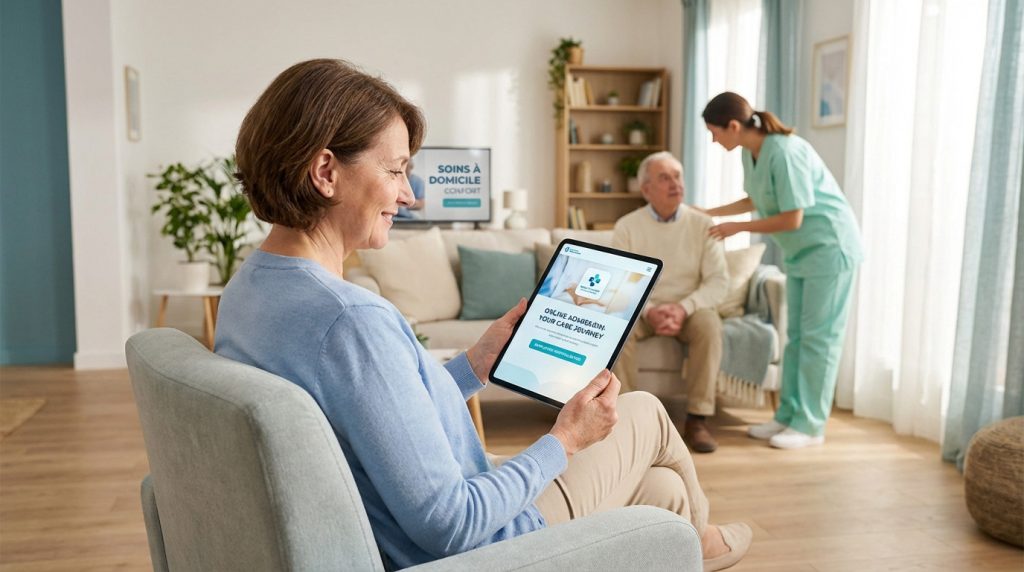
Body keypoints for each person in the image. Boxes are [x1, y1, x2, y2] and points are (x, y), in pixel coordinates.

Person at [216, 59, 751, 570]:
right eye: (396, 169)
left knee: (663, 494)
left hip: (409, 528)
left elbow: (381, 419)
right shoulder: (350, 321)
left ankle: (689, 547)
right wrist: (565, 439)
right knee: (648, 414)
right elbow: (450, 523)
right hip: (481, 549)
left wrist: (476, 364)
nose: (407, 194)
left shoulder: (252, 290)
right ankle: (699, 543)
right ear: (326, 171)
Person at [700, 91, 863, 450]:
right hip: (803, 254)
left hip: (830, 249)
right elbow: (755, 200)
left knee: (819, 340)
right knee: (797, 338)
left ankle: (810, 425)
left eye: (714, 132)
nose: (713, 140)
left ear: (733, 125)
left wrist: (738, 229)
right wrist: (709, 212)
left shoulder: (786, 152)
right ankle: (787, 416)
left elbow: (793, 217)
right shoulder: (751, 152)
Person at [612, 151, 729, 454]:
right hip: (643, 309)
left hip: (689, 308)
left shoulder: (704, 225)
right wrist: (650, 311)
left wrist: (683, 308)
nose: (675, 183)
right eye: (665, 178)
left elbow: (718, 282)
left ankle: (698, 418)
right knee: (616, 328)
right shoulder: (627, 226)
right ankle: (626, 420)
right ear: (646, 189)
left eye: (677, 176)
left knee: (710, 324)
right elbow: (622, 282)